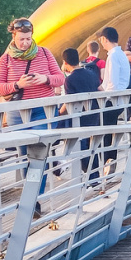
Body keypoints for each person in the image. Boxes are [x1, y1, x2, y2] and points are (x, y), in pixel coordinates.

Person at [0, 17, 65, 214]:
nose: (25, 43)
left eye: (28, 38)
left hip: (43, 109)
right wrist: (18, 85)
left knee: (38, 154)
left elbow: (60, 78)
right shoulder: (5, 59)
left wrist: (45, 79)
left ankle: (34, 201)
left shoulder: (44, 53)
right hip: (17, 111)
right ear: (13, 36)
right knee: (25, 156)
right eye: (21, 39)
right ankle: (31, 196)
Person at [58, 48, 101, 180]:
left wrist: (59, 113)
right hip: (94, 113)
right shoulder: (91, 74)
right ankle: (95, 177)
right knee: (91, 146)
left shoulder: (69, 80)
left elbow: (70, 101)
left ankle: (87, 176)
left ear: (65, 62)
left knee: (80, 146)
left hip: (80, 117)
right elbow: (101, 90)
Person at [97, 26, 131, 171]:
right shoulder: (121, 54)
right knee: (110, 132)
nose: (102, 44)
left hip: (112, 100)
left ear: (105, 39)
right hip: (119, 99)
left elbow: (113, 82)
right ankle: (110, 161)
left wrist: (105, 97)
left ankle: (107, 162)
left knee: (105, 133)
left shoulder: (113, 56)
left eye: (101, 41)